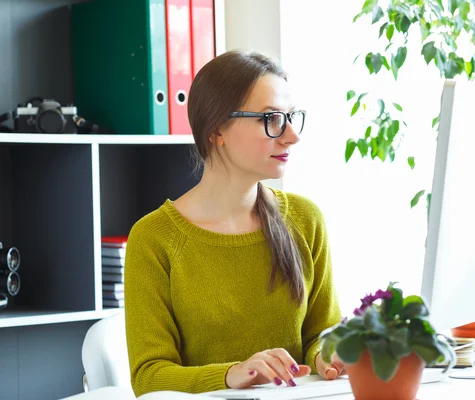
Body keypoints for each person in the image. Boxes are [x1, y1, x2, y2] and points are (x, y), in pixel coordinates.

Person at [124, 50, 345, 397]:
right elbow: (150, 377)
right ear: (217, 130)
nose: (291, 136)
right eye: (271, 118)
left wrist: (331, 356)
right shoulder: (154, 239)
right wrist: (233, 374)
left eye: (291, 117)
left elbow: (322, 333)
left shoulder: (306, 220)